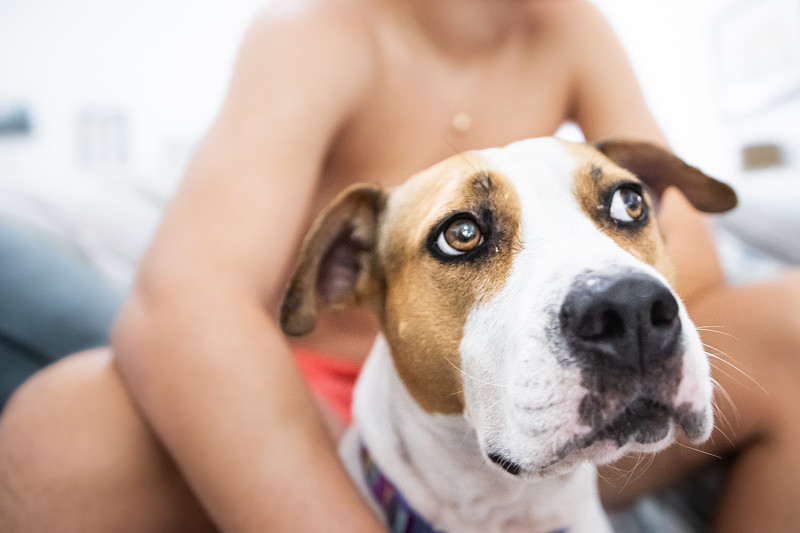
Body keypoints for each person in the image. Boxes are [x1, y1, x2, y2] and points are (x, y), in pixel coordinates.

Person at [0, 0, 798, 532]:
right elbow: (184, 304)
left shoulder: (572, 25)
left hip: (550, 386)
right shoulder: (316, 33)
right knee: (60, 434)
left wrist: (606, 230)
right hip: (328, 416)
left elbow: (682, 267)